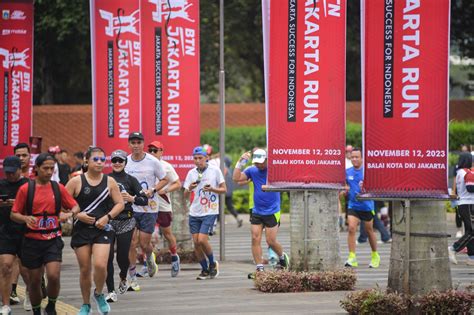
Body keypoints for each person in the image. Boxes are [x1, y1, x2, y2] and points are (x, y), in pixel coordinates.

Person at [10, 153, 80, 315]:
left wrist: (68, 214)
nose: (49, 172)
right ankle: (36, 311)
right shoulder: (26, 189)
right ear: (37, 169)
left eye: (51, 168)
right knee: (34, 281)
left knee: (54, 275)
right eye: (45, 168)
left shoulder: (58, 188)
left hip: (53, 239)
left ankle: (51, 305)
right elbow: (14, 214)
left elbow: (75, 206)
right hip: (32, 241)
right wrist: (25, 218)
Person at [66, 147, 124, 315]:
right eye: (95, 159)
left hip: (102, 229)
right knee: (85, 269)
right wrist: (78, 214)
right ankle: (85, 304)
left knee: (100, 265)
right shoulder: (76, 181)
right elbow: (63, 202)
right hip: (81, 230)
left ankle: (98, 293)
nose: (99, 162)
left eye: (102, 159)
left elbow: (120, 203)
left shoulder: (109, 182)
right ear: (86, 161)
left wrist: (107, 217)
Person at [232, 149, 289, 274]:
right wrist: (240, 163)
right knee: (255, 238)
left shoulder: (274, 170)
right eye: (256, 162)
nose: (259, 165)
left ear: (267, 160)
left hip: (272, 210)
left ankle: (282, 257)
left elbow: (285, 184)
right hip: (257, 210)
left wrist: (270, 187)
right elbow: (236, 178)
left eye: (261, 162)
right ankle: (259, 267)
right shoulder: (252, 170)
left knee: (271, 241)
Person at [125, 132, 168, 291]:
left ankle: (150, 257)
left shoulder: (152, 161)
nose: (136, 145)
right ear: (129, 144)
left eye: (138, 142)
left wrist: (153, 190)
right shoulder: (126, 161)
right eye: (133, 142)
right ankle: (132, 277)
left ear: (143, 144)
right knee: (131, 243)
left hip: (149, 208)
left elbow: (165, 179)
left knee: (144, 243)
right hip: (131, 207)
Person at [105, 150, 148, 302]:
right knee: (107, 257)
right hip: (108, 222)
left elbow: (145, 200)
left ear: (125, 162)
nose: (117, 163)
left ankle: (123, 276)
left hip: (126, 221)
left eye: (120, 160)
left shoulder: (131, 180)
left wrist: (132, 198)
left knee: (122, 257)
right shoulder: (105, 179)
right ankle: (110, 291)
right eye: (114, 160)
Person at [183, 146, 226, 280]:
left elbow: (224, 189)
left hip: (210, 210)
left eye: (200, 158)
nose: (197, 161)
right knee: (196, 242)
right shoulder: (191, 173)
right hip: (194, 211)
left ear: (206, 158)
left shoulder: (215, 171)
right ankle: (204, 269)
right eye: (195, 158)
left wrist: (213, 189)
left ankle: (213, 263)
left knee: (202, 239)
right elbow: (185, 195)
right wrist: (189, 188)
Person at [0, 156, 30, 315]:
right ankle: (5, 305)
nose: (10, 175)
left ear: (20, 169)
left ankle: (30, 292)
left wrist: (16, 203)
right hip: (5, 230)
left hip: (25, 231)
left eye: (13, 172)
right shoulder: (1, 184)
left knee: (26, 269)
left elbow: (35, 206)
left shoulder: (28, 185)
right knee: (5, 266)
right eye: (7, 172)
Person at [147, 141, 182, 277]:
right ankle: (149, 263)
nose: (152, 153)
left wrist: (164, 190)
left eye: (155, 150)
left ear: (162, 151)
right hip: (148, 205)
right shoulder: (144, 165)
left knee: (167, 234)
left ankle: (174, 257)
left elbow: (177, 184)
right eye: (150, 150)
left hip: (163, 205)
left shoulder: (166, 166)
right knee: (149, 236)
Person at [344, 148, 380, 268]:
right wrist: (345, 190)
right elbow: (345, 186)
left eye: (357, 157)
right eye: (352, 157)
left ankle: (375, 255)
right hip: (353, 205)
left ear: (362, 158)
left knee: (369, 230)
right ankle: (352, 257)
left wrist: (367, 189)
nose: (354, 159)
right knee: (351, 228)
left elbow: (376, 187)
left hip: (367, 205)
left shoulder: (367, 172)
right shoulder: (347, 172)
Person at [448, 152, 474, 265]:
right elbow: (470, 188)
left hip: (463, 203)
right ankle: (453, 248)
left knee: (470, 230)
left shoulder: (459, 172)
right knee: (472, 231)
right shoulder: (467, 173)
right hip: (468, 204)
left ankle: (471, 257)